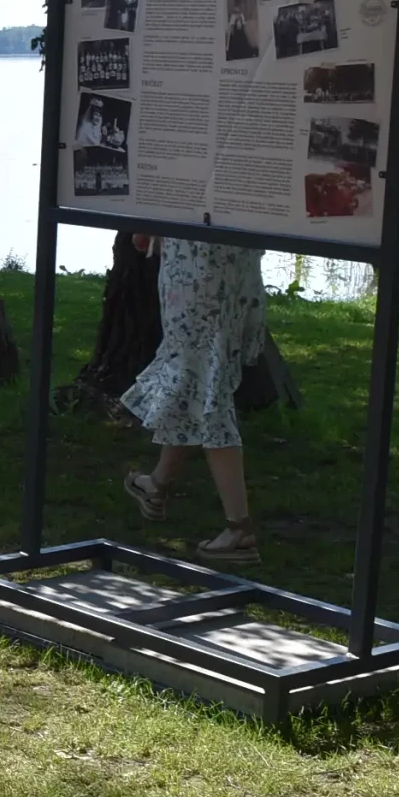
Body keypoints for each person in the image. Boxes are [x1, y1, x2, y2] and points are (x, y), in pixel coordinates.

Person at [120, 234, 267, 563]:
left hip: (198, 262)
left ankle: (239, 529)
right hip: (236, 257)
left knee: (206, 386)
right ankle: (156, 484)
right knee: (195, 380)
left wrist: (148, 226)